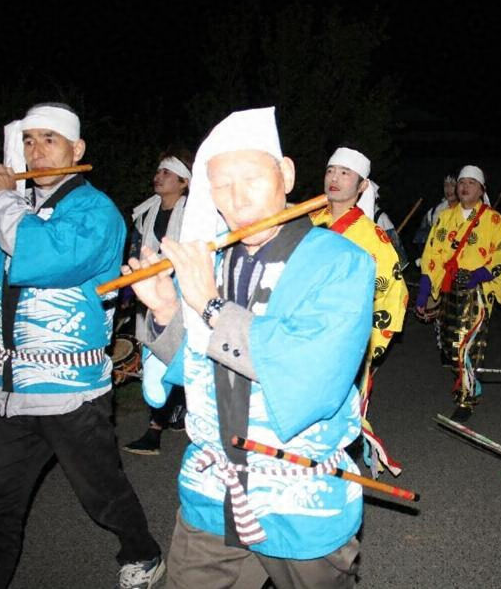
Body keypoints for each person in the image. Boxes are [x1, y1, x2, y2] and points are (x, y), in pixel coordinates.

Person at [128, 107, 375, 588]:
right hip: (212, 491)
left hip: (298, 497)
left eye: (252, 179)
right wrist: (166, 311)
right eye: (221, 185)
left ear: (286, 175)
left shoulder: (341, 261)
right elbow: (197, 368)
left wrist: (210, 306)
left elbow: (312, 376)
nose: (237, 199)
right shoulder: (211, 260)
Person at [0, 103, 163, 589]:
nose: (37, 151)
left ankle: (143, 553)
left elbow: (43, 254)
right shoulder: (17, 210)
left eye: (49, 139)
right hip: (14, 389)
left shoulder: (95, 211)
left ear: (76, 149)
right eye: (29, 140)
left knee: (102, 492)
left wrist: (3, 201)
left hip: (70, 391)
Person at [310, 146, 408, 476]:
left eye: (345, 173)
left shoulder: (373, 237)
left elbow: (392, 290)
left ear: (362, 185)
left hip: (342, 338)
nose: (335, 178)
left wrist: (368, 340)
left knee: (337, 411)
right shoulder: (306, 224)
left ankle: (335, 474)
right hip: (301, 332)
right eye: (330, 170)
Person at [415, 165, 501, 420]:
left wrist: (478, 274)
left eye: (471, 183)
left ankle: (467, 399)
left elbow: (500, 256)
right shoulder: (445, 217)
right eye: (461, 182)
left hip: (475, 292)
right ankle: (467, 384)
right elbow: (432, 253)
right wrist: (424, 290)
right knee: (450, 346)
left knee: (469, 346)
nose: (465, 187)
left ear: (481, 189)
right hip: (448, 289)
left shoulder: (494, 221)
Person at [123, 149, 192, 456]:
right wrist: (129, 294)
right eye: (158, 171)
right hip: (151, 294)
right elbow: (136, 253)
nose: (158, 177)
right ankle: (156, 428)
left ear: (184, 181)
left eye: (167, 173)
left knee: (186, 357)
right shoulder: (146, 214)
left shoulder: (195, 214)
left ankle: (185, 412)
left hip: (185, 294)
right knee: (154, 355)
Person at [412, 174, 458, 264]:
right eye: (446, 185)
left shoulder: (469, 211)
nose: (448, 189)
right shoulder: (434, 212)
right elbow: (421, 239)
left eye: (452, 185)